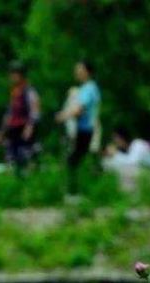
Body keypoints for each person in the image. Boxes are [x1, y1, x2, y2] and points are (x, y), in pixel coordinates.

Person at [55, 60, 101, 196]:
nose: (76, 72)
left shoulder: (89, 88)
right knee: (77, 160)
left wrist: (63, 116)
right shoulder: (87, 88)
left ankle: (75, 192)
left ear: (87, 72)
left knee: (74, 161)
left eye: (79, 69)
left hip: (86, 129)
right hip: (85, 129)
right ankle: (82, 191)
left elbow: (79, 110)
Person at [0, 61, 41, 172]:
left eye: (15, 74)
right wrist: (1, 131)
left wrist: (30, 126)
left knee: (26, 157)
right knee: (13, 158)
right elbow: (9, 113)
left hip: (24, 128)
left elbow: (35, 111)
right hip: (13, 129)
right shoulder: (14, 92)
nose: (12, 76)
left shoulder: (29, 91)